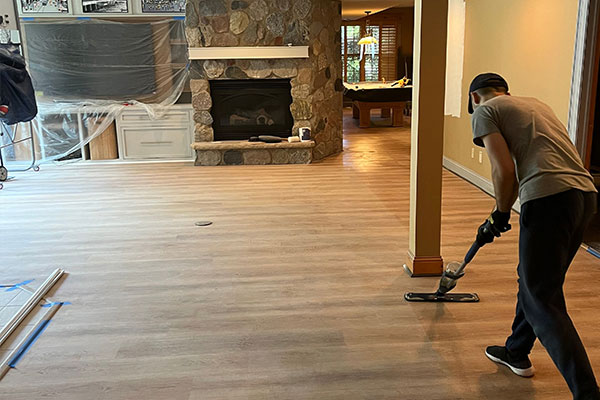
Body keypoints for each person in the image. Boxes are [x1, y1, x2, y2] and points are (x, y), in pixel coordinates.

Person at [468, 72, 600, 400]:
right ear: (506, 91)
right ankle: (516, 350)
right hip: (584, 196)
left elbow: (504, 169)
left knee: (543, 300)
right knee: (536, 283)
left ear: (474, 98)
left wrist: (499, 213)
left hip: (548, 199)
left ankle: (587, 393)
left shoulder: (485, 110)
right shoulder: (535, 105)